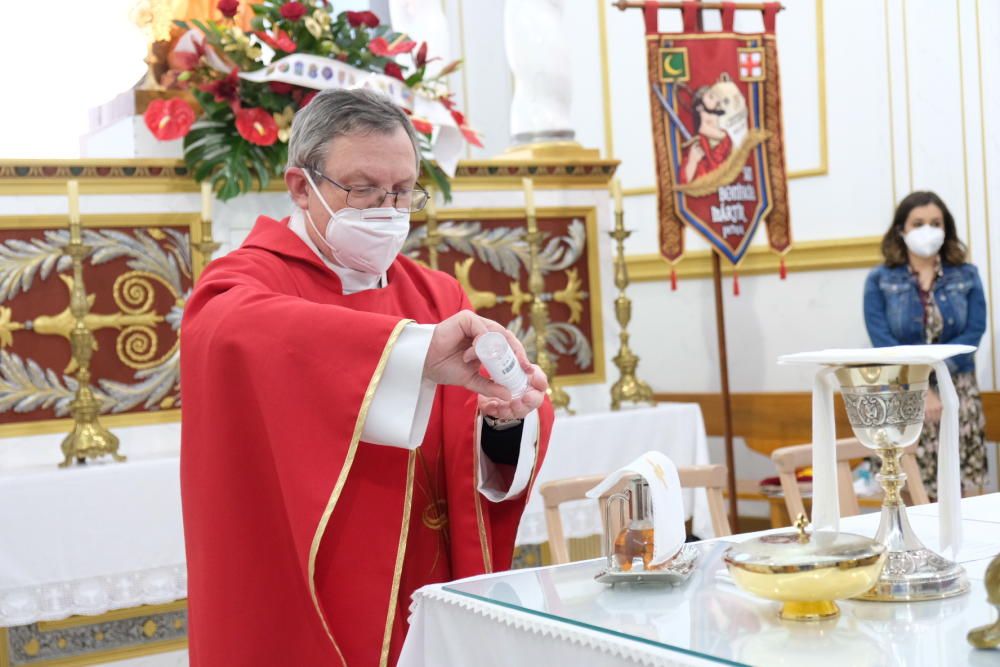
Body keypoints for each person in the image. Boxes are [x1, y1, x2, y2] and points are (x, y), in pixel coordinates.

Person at [180, 88, 553, 666]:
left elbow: (470, 446)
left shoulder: (435, 295)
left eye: (403, 191)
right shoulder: (242, 285)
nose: (386, 209)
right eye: (362, 189)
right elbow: (226, 331)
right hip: (311, 597)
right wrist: (410, 354)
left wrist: (504, 420)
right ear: (302, 187)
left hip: (424, 593)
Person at [863, 191, 987, 499]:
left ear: (947, 229)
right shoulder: (879, 280)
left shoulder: (967, 276)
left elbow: (973, 333)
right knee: (910, 492)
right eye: (918, 223)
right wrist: (923, 389)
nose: (927, 230)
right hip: (903, 394)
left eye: (935, 223)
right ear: (901, 230)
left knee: (965, 493)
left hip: (957, 393)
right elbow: (883, 342)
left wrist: (938, 384)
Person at [680, 84, 732, 184]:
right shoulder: (696, 147)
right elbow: (684, 183)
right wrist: (692, 162)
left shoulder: (726, 142)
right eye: (711, 97)